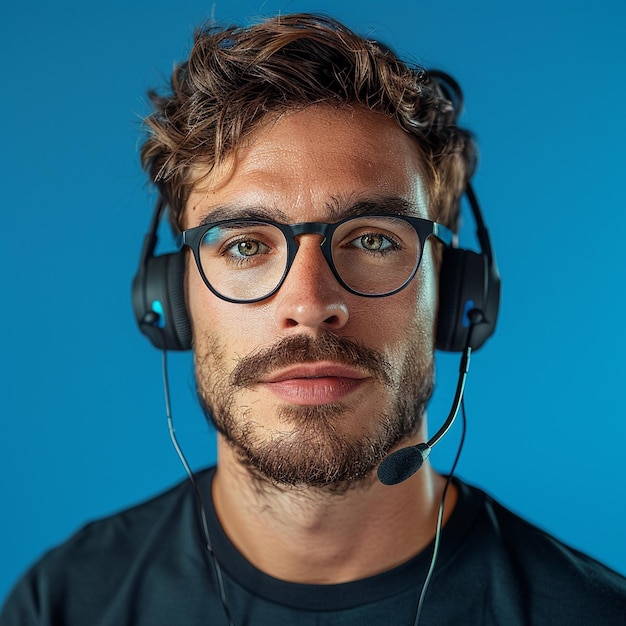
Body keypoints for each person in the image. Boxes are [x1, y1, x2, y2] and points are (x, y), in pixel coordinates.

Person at [2, 13, 625, 626]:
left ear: (459, 292)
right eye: (244, 244)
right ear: (168, 298)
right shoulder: (63, 604)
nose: (308, 304)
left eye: (375, 240)